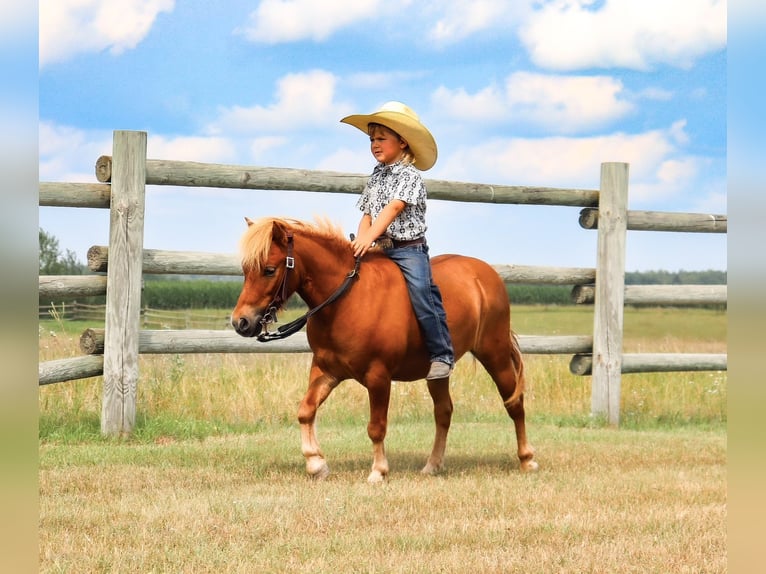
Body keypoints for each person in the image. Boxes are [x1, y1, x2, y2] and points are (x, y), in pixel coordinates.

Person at [341, 101, 455, 380]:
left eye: (382, 138)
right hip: (378, 246)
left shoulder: (410, 176)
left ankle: (442, 354)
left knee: (422, 293)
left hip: (408, 250)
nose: (375, 145)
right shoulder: (377, 175)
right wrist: (361, 241)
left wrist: (369, 237)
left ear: (402, 142)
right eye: (372, 139)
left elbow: (393, 208)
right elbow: (368, 212)